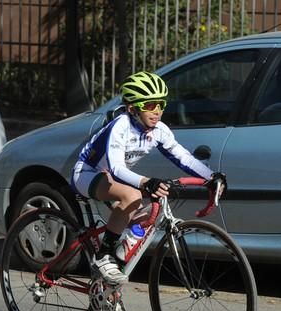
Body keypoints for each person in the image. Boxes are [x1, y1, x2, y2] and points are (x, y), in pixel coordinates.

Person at [71, 71, 226, 288]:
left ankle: (108, 286)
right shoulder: (120, 126)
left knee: (143, 221)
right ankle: (103, 257)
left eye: (161, 104)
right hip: (87, 174)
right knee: (133, 195)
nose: (158, 111)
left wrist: (211, 177)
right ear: (133, 109)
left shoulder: (159, 130)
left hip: (114, 179)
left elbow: (182, 157)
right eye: (150, 105)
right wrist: (146, 182)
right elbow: (115, 168)